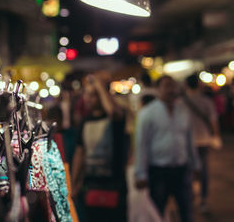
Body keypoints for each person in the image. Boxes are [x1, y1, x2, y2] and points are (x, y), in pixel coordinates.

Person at [134, 75, 200, 222]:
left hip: (181, 170)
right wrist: (141, 174)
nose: (171, 90)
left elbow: (190, 141)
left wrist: (196, 165)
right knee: (157, 212)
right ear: (158, 89)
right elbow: (141, 144)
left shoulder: (184, 111)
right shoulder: (148, 113)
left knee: (186, 211)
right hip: (158, 171)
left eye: (173, 86)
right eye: (166, 86)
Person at [72, 73, 127, 222]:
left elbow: (112, 111)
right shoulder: (85, 121)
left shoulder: (116, 118)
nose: (88, 99)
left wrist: (99, 84)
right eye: (87, 95)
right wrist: (74, 184)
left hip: (114, 186)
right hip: (91, 186)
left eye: (93, 95)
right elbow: (80, 153)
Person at [184, 74, 221, 212]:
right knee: (203, 170)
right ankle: (203, 200)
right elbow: (213, 120)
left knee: (189, 170)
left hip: (187, 142)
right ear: (198, 84)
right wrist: (216, 136)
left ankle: (191, 195)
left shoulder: (181, 102)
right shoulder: (206, 101)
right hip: (204, 140)